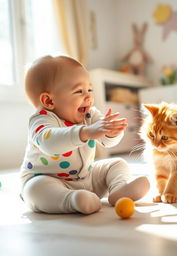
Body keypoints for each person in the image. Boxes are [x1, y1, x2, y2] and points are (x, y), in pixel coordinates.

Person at [20, 55, 149, 214]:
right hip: (49, 181)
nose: (88, 97)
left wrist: (111, 133)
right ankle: (72, 200)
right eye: (79, 91)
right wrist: (85, 132)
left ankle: (119, 189)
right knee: (34, 189)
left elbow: (107, 142)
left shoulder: (89, 114)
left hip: (86, 178)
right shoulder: (41, 120)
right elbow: (49, 142)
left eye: (90, 89)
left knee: (116, 164)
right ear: (49, 101)